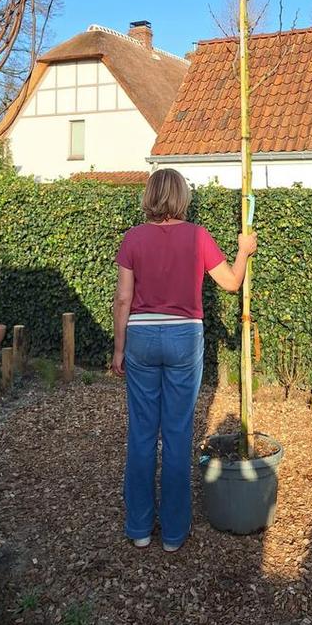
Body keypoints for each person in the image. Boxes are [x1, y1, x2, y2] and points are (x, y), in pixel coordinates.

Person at [112, 168, 257, 552]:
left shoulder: (132, 238)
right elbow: (230, 283)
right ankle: (174, 535)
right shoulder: (198, 236)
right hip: (183, 337)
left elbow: (123, 299)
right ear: (181, 197)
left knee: (142, 434)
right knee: (176, 435)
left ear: (150, 196)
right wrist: (244, 250)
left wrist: (119, 349)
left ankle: (140, 529)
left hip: (141, 336)